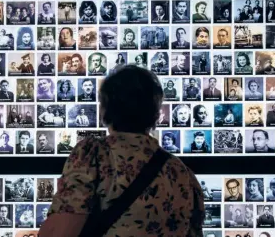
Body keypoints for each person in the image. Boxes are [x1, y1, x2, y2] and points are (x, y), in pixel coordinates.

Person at [39, 65, 205, 237]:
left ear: (104, 110)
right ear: (156, 114)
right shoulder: (182, 173)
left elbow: (61, 231)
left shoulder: (93, 156)